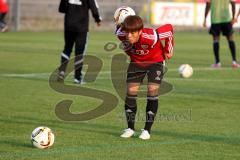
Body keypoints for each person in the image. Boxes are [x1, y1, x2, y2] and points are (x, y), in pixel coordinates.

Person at [116, 15, 174, 140]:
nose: (129, 35)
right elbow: (125, 42)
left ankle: (147, 130)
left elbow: (169, 29)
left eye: (133, 32)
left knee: (152, 92)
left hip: (155, 62)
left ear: (140, 31)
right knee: (130, 93)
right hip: (136, 63)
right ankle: (130, 128)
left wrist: (169, 49)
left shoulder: (151, 36)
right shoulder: (121, 34)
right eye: (127, 32)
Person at [58, 0, 102, 84]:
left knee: (67, 48)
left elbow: (61, 9)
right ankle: (77, 78)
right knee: (79, 53)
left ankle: (62, 72)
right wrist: (98, 19)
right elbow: (94, 9)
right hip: (81, 28)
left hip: (69, 25)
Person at [203, 0, 239, 68]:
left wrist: (205, 18)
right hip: (226, 19)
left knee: (215, 40)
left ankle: (217, 62)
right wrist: (233, 17)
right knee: (230, 39)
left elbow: (208, 5)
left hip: (215, 19)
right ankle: (234, 62)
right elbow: (233, 3)